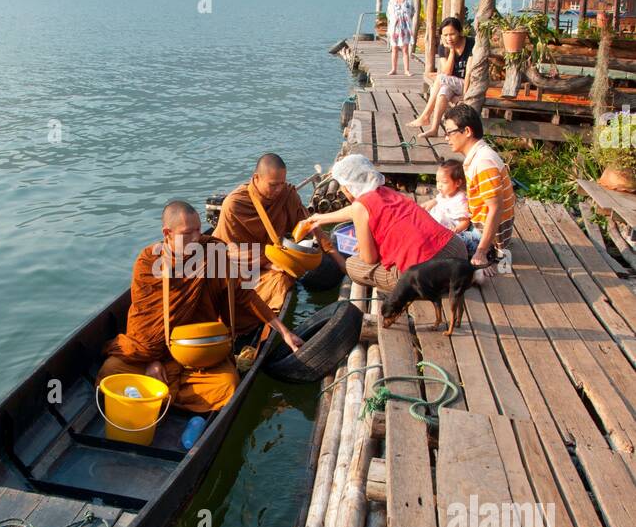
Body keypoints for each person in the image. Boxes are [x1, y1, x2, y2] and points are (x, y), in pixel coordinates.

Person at [98, 200, 304, 412]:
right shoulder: (148, 262)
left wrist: (284, 332)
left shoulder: (213, 252)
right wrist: (152, 361)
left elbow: (243, 294)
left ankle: (155, 395)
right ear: (167, 232)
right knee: (110, 370)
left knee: (227, 385)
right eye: (187, 233)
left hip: (197, 353)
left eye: (198, 229)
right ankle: (165, 391)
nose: (196, 238)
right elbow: (143, 320)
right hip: (152, 353)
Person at [296, 153, 468, 293]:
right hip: (457, 251)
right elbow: (358, 211)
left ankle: (342, 262)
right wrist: (321, 218)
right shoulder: (386, 192)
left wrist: (356, 248)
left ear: (347, 188)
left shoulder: (359, 207)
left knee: (353, 265)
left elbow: (369, 259)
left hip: (428, 275)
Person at [213, 153, 310, 325]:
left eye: (281, 183)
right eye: (273, 185)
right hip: (242, 271)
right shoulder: (235, 204)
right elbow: (228, 254)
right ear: (256, 178)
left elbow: (303, 229)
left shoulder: (287, 195)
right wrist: (269, 261)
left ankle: (267, 322)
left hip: (275, 267)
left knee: (281, 281)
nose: (279, 189)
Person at [441, 105, 515, 268]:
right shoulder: (478, 155)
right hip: (478, 224)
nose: (446, 138)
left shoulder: (483, 162)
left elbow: (495, 209)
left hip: (487, 236)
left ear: (467, 131)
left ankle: (490, 255)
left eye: (449, 132)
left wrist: (481, 252)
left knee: (438, 246)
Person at [408, 17, 475, 136]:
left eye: (452, 34)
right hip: (452, 83)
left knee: (439, 78)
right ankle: (434, 129)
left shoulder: (470, 43)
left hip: (469, 84)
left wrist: (464, 95)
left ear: (459, 32)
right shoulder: (442, 47)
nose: (449, 38)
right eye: (445, 35)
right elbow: (448, 71)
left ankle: (425, 115)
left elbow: (469, 72)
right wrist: (452, 51)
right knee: (443, 91)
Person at [422, 159, 471, 234]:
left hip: (448, 230)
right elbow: (433, 202)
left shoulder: (460, 199)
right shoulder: (443, 194)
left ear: (458, 182)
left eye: (444, 182)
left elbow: (465, 221)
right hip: (435, 224)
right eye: (437, 181)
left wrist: (456, 229)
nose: (439, 185)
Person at [386, 0, 415, 76]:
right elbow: (389, 14)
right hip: (394, 28)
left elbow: (412, 12)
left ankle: (407, 70)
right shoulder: (391, 1)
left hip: (405, 28)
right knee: (394, 48)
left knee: (405, 49)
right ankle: (393, 69)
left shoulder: (408, 1)